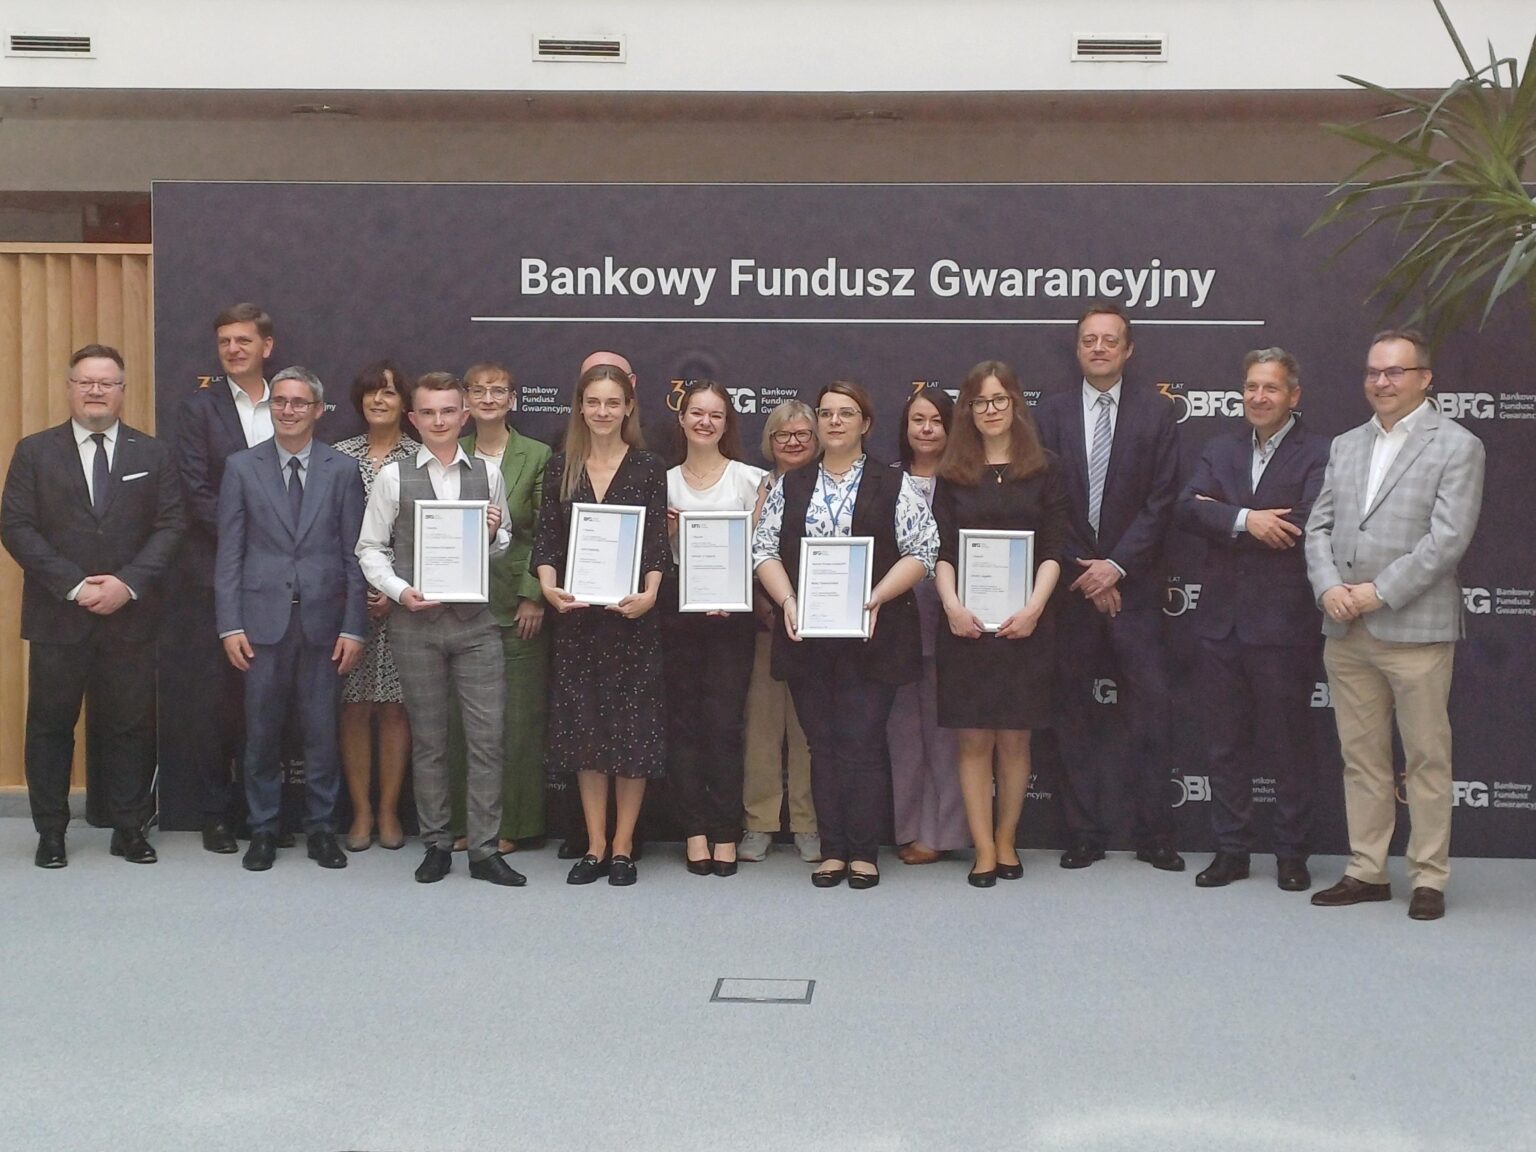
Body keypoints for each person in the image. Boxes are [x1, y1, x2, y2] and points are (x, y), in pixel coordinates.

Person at [1305, 328, 1485, 921]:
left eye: (1395, 372)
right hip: (1345, 629)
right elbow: (1318, 527)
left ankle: (1428, 877)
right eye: (1373, 372)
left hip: (1415, 630)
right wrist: (1329, 587)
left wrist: (1377, 593)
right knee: (1362, 759)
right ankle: (1367, 870)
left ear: (1424, 379)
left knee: (1427, 759)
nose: (1381, 382)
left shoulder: (1457, 445)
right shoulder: (1346, 444)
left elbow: (1448, 540)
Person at [1, 344, 184, 867]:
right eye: (86, 382)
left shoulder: (154, 454)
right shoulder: (34, 451)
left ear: (123, 391)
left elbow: (171, 525)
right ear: (70, 388)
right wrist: (75, 586)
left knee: (130, 726)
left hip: (130, 615)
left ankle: (129, 828)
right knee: (51, 727)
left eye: (106, 383)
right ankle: (51, 832)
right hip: (58, 616)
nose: (96, 391)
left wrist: (126, 584)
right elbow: (16, 525)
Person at [753, 381, 939, 889]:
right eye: (827, 413)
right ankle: (833, 850)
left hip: (873, 633)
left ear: (866, 423)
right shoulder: (791, 485)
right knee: (822, 743)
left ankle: (864, 851)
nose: (834, 421)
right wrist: (787, 601)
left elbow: (923, 551)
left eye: (846, 413)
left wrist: (876, 597)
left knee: (861, 741)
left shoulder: (893, 483)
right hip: (806, 635)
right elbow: (763, 549)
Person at [355, 372, 526, 888]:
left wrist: (492, 535)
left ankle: (484, 850)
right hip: (415, 624)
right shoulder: (393, 477)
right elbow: (370, 548)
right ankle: (435, 845)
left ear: (464, 415)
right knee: (430, 741)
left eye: (448, 411)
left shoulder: (488, 474)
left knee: (487, 740)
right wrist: (399, 591)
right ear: (413, 418)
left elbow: (503, 540)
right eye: (427, 412)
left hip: (476, 626)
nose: (438, 420)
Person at [1035, 302, 1184, 872]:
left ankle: (1156, 835)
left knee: (1151, 713)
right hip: (1072, 591)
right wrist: (1088, 571)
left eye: (1109, 340)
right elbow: (1046, 502)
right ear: (1077, 349)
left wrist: (1116, 566)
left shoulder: (1157, 412)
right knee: (1070, 714)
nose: (1098, 348)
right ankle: (1083, 834)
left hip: (1135, 592)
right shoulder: (1049, 413)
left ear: (1128, 349)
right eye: (1089, 340)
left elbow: (1162, 500)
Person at [1174, 348, 1330, 892]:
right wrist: (1246, 520)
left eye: (1270, 388)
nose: (1258, 397)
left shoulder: (1320, 453)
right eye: (1251, 387)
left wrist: (1224, 517)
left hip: (1285, 625)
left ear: (1294, 395)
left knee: (1289, 744)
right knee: (1224, 745)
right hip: (1220, 624)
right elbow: (1187, 508)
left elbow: (1306, 523)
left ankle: (1291, 854)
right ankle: (1232, 850)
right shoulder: (1220, 448)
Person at [215, 367, 368, 871]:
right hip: (260, 625)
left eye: (299, 402)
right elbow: (230, 554)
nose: (288, 410)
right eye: (279, 401)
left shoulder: (342, 470)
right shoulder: (242, 467)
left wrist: (353, 626)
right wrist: (230, 625)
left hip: (324, 624)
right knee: (261, 733)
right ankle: (263, 828)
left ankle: (321, 828)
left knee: (321, 733)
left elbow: (355, 555)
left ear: (318, 410)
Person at [534, 362, 671, 887]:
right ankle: (594, 845)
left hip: (631, 620)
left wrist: (651, 594)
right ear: (580, 407)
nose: (603, 411)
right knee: (585, 734)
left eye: (613, 402)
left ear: (628, 407)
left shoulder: (648, 467)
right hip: (577, 621)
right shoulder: (561, 467)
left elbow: (655, 542)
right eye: (593, 402)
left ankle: (623, 846)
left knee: (633, 736)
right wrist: (548, 586)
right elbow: (548, 540)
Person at [934, 362, 1069, 886]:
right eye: (979, 402)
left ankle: (1008, 839)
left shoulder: (1046, 468)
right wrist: (952, 606)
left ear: (1015, 403)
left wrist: (1034, 609)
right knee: (973, 742)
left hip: (1025, 624)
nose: (989, 410)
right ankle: (984, 848)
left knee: (1014, 741)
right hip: (965, 625)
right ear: (967, 410)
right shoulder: (952, 471)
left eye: (999, 400)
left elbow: (1054, 548)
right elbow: (943, 550)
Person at [169, 303, 277, 852]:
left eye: (243, 340)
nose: (233, 349)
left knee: (269, 696)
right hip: (216, 572)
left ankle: (266, 814)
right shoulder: (198, 408)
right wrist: (257, 540)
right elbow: (195, 490)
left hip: (283, 579)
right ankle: (216, 812)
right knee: (217, 700)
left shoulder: (291, 402)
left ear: (266, 347)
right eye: (224, 342)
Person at [448, 360, 552, 854]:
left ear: (513, 399)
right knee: (461, 721)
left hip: (518, 605)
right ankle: (466, 822)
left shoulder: (538, 454)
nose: (488, 398)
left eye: (498, 391)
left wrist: (534, 594)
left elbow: (547, 531)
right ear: (465, 400)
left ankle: (514, 824)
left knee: (517, 721)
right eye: (478, 390)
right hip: (457, 604)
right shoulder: (449, 451)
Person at [663, 380, 765, 876]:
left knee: (724, 726)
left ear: (727, 424)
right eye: (696, 413)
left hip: (731, 616)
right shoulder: (661, 482)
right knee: (682, 724)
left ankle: (726, 831)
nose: (705, 422)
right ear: (681, 419)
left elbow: (763, 550)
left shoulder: (751, 480)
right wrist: (664, 533)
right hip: (676, 615)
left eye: (716, 415)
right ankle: (694, 831)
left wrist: (734, 591)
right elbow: (649, 556)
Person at [333, 360, 418, 852]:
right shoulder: (337, 457)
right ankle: (360, 811)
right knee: (354, 707)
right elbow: (328, 535)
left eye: (389, 392)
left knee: (394, 709)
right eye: (371, 392)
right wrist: (359, 592)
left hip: (403, 602)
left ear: (405, 403)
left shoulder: (420, 458)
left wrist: (392, 588)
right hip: (348, 606)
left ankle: (388, 809)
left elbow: (425, 537)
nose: (379, 400)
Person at [888, 387, 969, 867]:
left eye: (936, 420)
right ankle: (910, 829)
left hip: (951, 619)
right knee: (902, 735)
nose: (926, 429)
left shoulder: (965, 480)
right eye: (917, 419)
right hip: (895, 620)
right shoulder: (885, 479)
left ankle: (945, 832)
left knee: (945, 734)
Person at [739, 401, 820, 865]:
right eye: (782, 435)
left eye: (802, 434)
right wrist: (763, 603)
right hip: (764, 622)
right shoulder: (755, 485)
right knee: (763, 729)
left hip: (819, 627)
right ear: (769, 441)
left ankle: (808, 823)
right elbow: (742, 551)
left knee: (809, 728)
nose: (792, 442)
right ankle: (760, 822)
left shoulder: (830, 486)